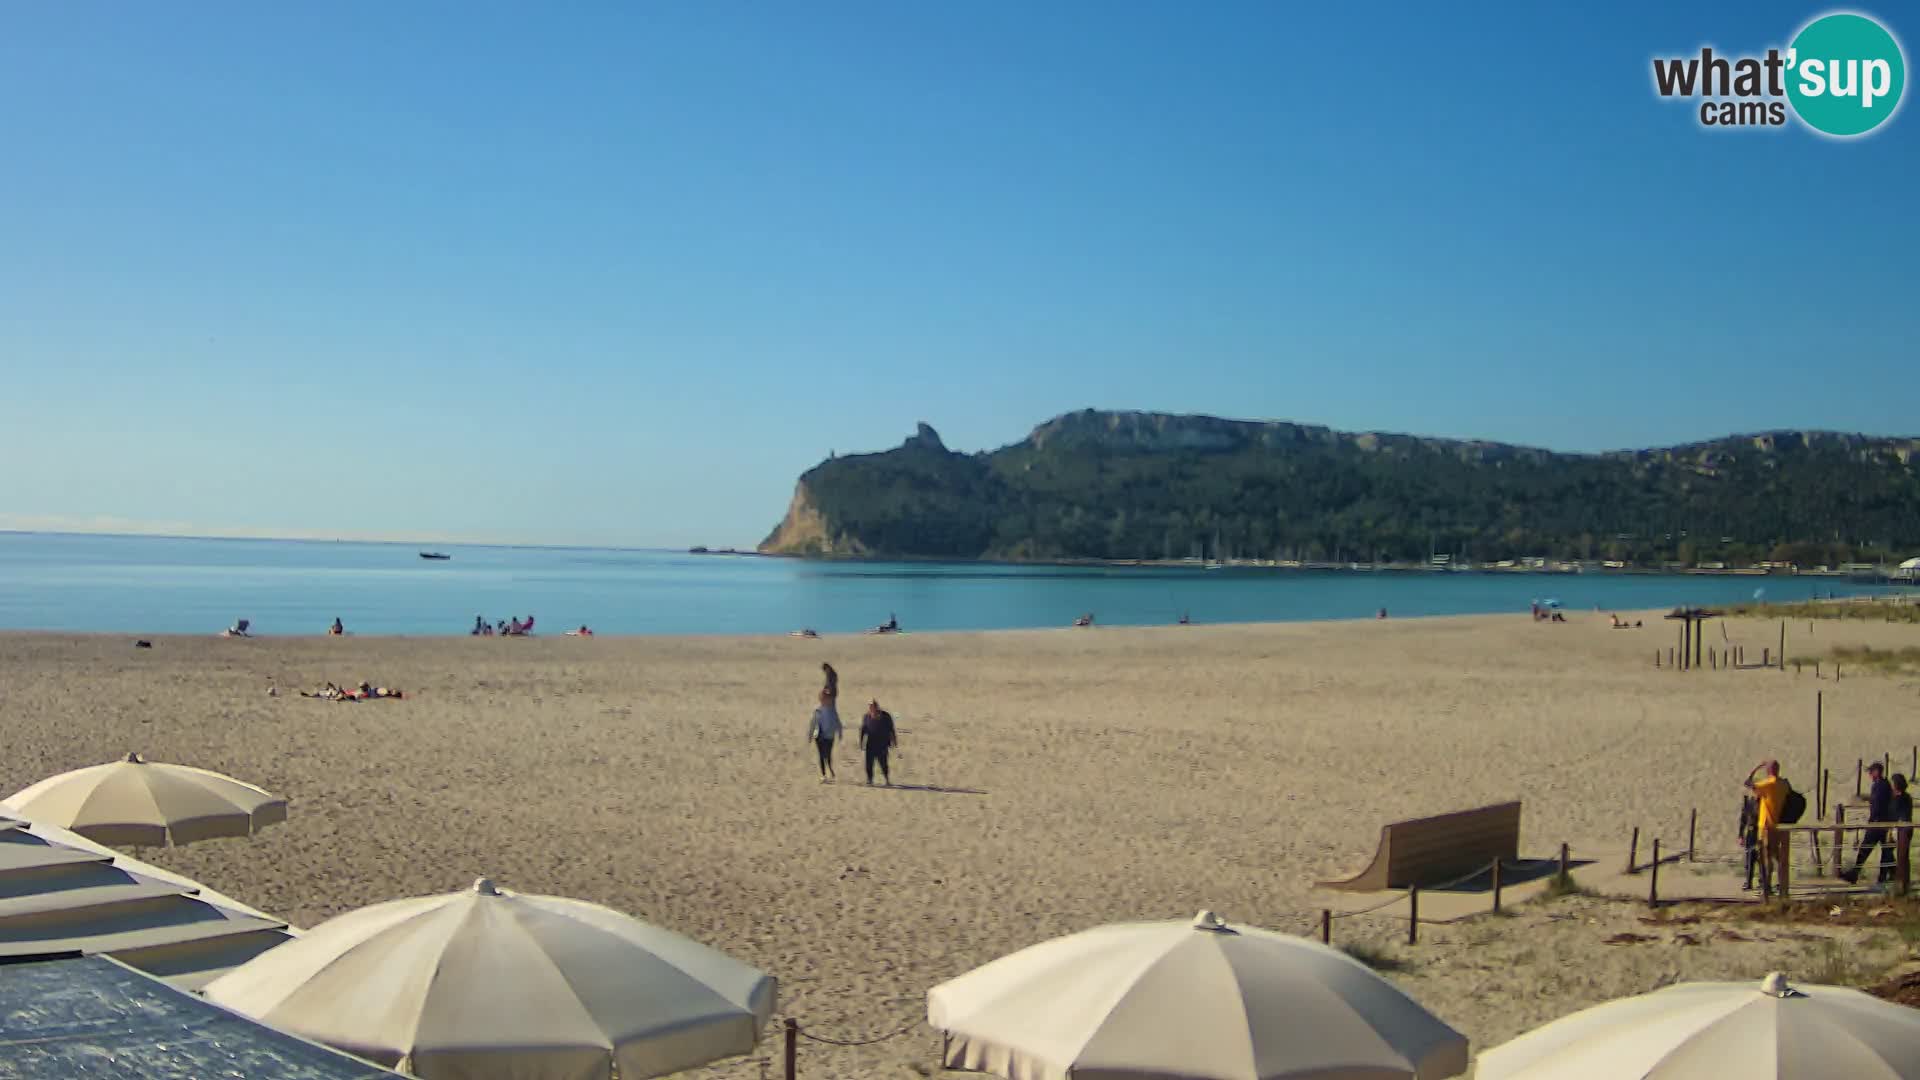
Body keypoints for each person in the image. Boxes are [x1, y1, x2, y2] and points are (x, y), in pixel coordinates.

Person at [1743, 759, 1790, 897]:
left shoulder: (1769, 784)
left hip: (1766, 825)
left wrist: (1756, 767)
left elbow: (1748, 783)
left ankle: (1767, 886)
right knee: (1778, 857)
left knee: (1766, 857)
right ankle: (1781, 885)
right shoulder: (1783, 784)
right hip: (1778, 825)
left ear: (1768, 771)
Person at [1843, 762, 1895, 884]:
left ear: (1877, 772)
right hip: (1882, 822)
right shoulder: (1882, 784)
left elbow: (1877, 806)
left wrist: (1872, 820)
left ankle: (1855, 874)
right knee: (1886, 851)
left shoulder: (1880, 786)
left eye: (1871, 772)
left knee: (1866, 848)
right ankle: (1891, 874)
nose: (1870, 774)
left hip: (1878, 823)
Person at [860, 699, 897, 786]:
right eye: (870, 706)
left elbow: (891, 729)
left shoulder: (886, 716)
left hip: (882, 744)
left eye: (873, 706)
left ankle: (887, 779)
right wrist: (861, 742)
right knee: (869, 763)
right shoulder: (866, 717)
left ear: (877, 706)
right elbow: (863, 730)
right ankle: (870, 780)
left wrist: (894, 740)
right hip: (870, 744)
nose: (871, 708)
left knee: (883, 763)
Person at [808, 690, 841, 782]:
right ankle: (823, 774)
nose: (824, 700)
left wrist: (840, 732)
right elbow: (813, 723)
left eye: (826, 698)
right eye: (823, 698)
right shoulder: (817, 710)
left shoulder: (832, 711)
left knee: (828, 755)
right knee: (821, 755)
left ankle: (830, 770)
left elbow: (837, 722)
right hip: (818, 736)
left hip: (829, 736)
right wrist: (810, 735)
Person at [1890, 774, 1914, 885]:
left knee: (1902, 855)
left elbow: (1899, 813)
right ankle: (1897, 877)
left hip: (1903, 828)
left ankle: (1902, 881)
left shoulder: (1902, 798)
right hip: (1899, 827)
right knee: (1894, 853)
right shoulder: (1903, 797)